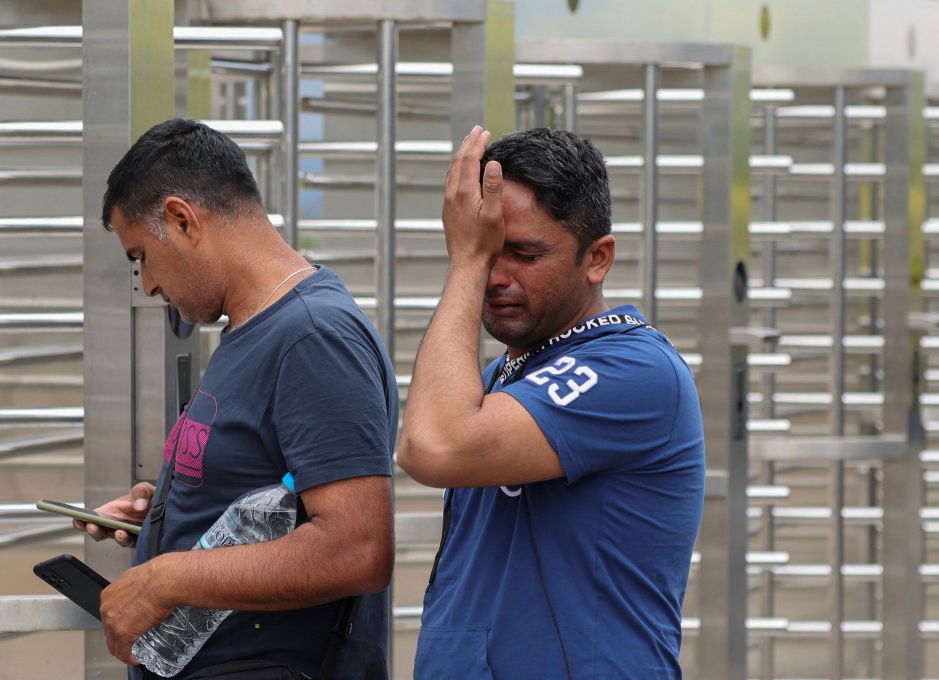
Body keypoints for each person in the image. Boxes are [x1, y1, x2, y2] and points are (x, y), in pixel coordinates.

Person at [77, 118, 398, 680]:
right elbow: (271, 495)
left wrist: (166, 579)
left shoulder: (312, 337)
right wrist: (165, 513)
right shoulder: (254, 329)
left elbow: (357, 548)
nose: (147, 284)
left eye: (142, 256)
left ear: (181, 220)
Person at [396, 126, 705, 679]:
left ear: (598, 259)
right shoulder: (498, 378)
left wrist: (466, 260)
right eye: (487, 251)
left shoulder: (636, 371)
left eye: (524, 253)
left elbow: (431, 446)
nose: (495, 276)